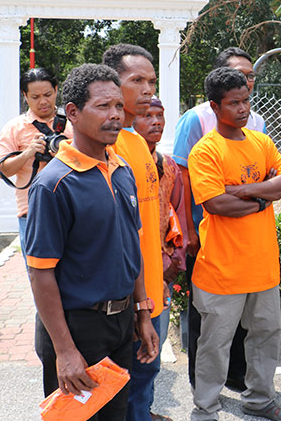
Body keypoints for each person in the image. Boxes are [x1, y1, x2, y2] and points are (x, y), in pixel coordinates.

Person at [25, 64, 158, 420]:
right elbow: (40, 274)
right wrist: (65, 350)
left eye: (118, 106)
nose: (115, 115)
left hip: (121, 323)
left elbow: (133, 246)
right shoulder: (54, 184)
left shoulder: (122, 170)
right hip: (76, 327)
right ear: (73, 112)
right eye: (103, 107)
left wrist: (142, 312)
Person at [188, 67, 281, 421]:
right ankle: (205, 408)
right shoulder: (205, 151)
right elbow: (217, 204)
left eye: (246, 100)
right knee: (214, 345)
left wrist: (245, 190)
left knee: (266, 337)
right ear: (215, 107)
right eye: (234, 103)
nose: (243, 108)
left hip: (263, 268)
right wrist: (264, 197)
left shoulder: (262, 142)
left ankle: (260, 400)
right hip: (221, 271)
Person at [172, 47, 264, 392]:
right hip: (206, 231)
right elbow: (181, 176)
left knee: (243, 310)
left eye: (250, 76)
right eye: (239, 75)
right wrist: (188, 228)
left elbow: (268, 175)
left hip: (244, 233)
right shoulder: (196, 119)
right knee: (206, 313)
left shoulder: (256, 121)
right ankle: (203, 381)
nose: (246, 82)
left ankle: (236, 374)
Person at [101, 44, 165, 421]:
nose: (147, 90)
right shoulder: (103, 145)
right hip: (122, 300)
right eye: (136, 80)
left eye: (151, 81)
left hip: (152, 292)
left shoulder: (140, 142)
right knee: (119, 389)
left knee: (145, 380)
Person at [133, 96, 188, 421]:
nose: (155, 121)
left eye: (160, 115)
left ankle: (145, 410)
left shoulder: (169, 168)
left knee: (152, 349)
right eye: (147, 115)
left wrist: (173, 261)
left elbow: (177, 214)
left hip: (160, 272)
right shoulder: (118, 161)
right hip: (128, 274)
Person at [0, 67, 73, 248]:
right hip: (33, 211)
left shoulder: (72, 122)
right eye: (35, 97)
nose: (43, 101)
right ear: (25, 95)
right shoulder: (15, 128)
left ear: (56, 90)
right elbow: (3, 170)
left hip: (71, 206)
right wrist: (28, 152)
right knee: (38, 270)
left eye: (48, 94)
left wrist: (66, 151)